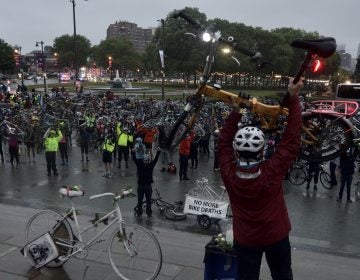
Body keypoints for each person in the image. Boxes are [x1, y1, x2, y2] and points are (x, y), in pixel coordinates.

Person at [218, 78, 302, 280]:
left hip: (246, 239)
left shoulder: (229, 173)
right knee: (282, 275)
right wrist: (294, 98)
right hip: (276, 235)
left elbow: (222, 144)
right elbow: (292, 140)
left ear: (236, 151)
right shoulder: (271, 171)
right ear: (263, 149)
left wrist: (235, 113)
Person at [132, 149, 161, 218]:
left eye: (147, 160)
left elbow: (155, 160)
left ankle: (149, 213)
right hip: (140, 186)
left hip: (148, 186)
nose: (145, 161)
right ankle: (139, 212)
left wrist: (158, 152)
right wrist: (133, 152)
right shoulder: (139, 165)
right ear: (143, 160)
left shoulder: (151, 165)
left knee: (148, 200)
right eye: (144, 160)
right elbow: (134, 159)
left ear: (148, 160)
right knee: (140, 200)